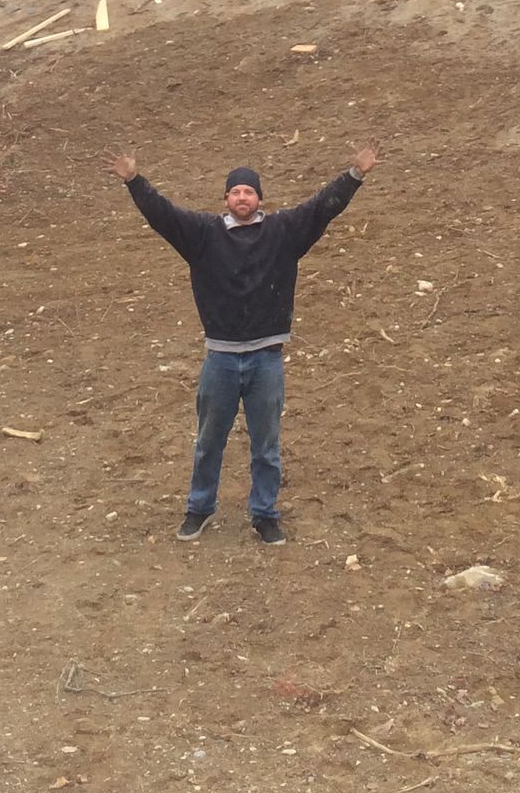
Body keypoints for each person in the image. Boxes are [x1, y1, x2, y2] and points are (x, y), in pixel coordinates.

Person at [107, 144, 380, 543]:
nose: (242, 197)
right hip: (220, 357)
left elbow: (323, 207)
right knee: (208, 441)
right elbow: (163, 215)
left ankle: (265, 514)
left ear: (259, 199)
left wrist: (355, 174)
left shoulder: (284, 232)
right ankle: (199, 509)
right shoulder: (202, 235)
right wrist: (134, 180)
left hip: (266, 358)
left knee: (266, 446)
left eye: (248, 191)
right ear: (226, 199)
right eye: (235, 192)